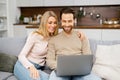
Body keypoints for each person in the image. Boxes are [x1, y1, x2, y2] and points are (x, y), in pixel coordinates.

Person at [46, 8, 102, 80]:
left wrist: (80, 67)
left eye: (69, 21)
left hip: (80, 72)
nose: (67, 24)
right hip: (60, 72)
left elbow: (88, 57)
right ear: (60, 21)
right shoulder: (53, 40)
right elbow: (49, 60)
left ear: (74, 21)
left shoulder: (82, 37)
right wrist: (62, 67)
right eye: (64, 21)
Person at [14, 11, 59, 80]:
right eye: (50, 23)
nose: (53, 25)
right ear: (44, 23)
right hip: (24, 65)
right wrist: (31, 67)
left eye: (55, 23)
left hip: (39, 67)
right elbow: (21, 56)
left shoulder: (53, 38)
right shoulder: (35, 35)